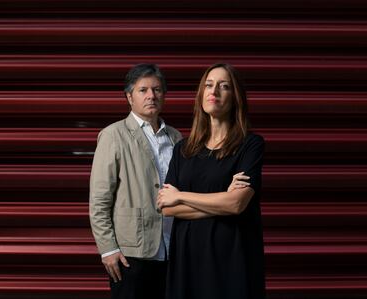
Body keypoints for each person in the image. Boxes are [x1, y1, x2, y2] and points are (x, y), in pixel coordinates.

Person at [157, 63, 266, 299]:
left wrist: (181, 195)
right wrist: (222, 201)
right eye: (209, 85)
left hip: (232, 257)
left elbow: (236, 204)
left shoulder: (250, 145)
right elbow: (166, 207)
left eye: (224, 86)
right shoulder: (183, 149)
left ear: (235, 97)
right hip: (188, 257)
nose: (214, 91)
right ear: (201, 94)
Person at [89, 63, 182, 299]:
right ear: (129, 97)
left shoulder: (176, 137)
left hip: (174, 249)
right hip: (131, 252)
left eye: (157, 90)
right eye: (143, 90)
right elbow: (99, 200)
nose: (151, 95)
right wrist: (108, 249)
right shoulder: (113, 135)